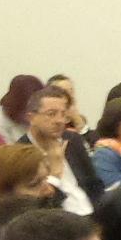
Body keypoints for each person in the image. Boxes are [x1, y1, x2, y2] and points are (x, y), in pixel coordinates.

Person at [19, 86, 98, 214]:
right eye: (51, 114)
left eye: (63, 115)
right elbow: (38, 210)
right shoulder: (21, 153)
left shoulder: (72, 140)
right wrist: (55, 175)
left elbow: (94, 185)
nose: (59, 121)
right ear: (31, 118)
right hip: (59, 223)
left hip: (92, 214)